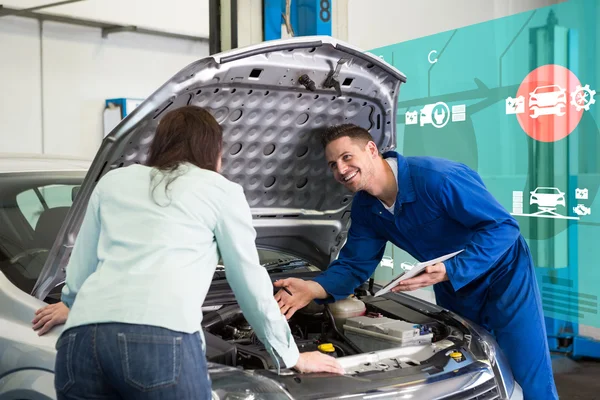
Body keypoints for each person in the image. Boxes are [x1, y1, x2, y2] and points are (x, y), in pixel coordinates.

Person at [32, 106, 344, 400]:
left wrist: (71, 304)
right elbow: (249, 282)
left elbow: (81, 265)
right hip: (158, 342)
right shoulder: (219, 190)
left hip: (81, 343)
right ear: (214, 150)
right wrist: (290, 355)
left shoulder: (113, 181)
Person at [274, 124, 558, 400]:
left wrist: (452, 269)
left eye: (347, 157)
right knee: (468, 366)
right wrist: (313, 288)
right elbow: (354, 266)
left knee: (526, 367)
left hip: (503, 272)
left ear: (372, 149)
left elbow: (503, 227)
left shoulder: (438, 178)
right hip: (450, 282)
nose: (340, 169)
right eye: (333, 164)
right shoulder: (366, 207)